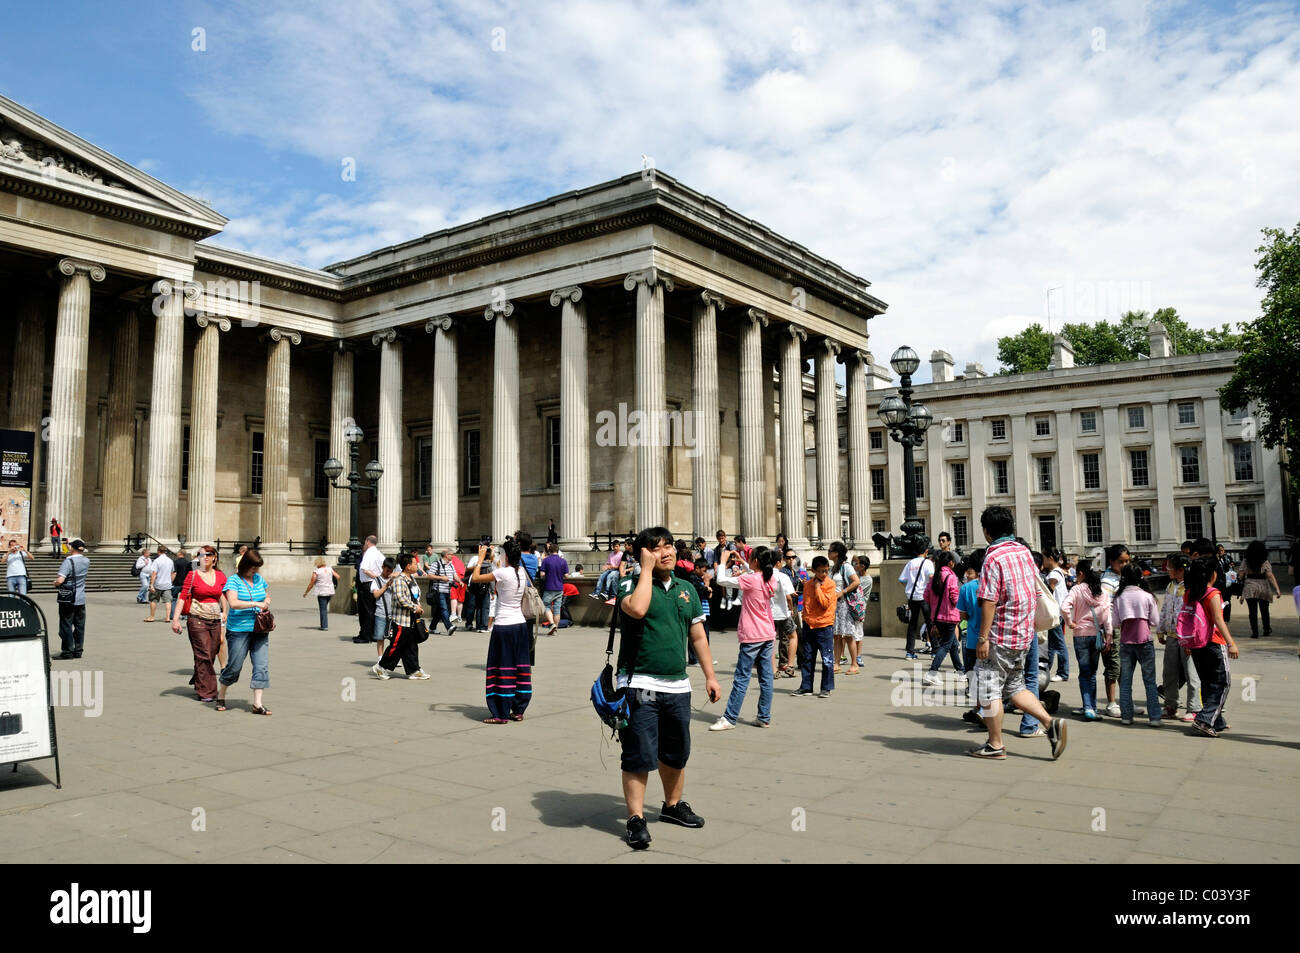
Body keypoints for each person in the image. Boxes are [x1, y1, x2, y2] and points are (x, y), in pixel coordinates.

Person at [613, 526, 720, 850]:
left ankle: (672, 806)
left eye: (670, 545)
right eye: (658, 548)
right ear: (644, 553)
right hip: (639, 683)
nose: (667, 552)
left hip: (677, 686)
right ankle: (636, 819)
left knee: (676, 752)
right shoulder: (629, 584)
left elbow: (698, 636)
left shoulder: (687, 589)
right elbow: (639, 609)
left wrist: (710, 676)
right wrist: (644, 569)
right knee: (639, 754)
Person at [969, 506, 1067, 760]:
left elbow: (989, 600)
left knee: (989, 689)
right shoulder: (1024, 552)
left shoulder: (993, 558)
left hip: (1000, 636)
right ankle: (1049, 722)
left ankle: (995, 743)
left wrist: (982, 638)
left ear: (987, 531)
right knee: (1015, 686)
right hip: (1024, 633)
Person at [710, 546, 779, 730]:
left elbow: (722, 580)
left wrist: (724, 561)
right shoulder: (770, 577)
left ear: (756, 561)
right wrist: (743, 562)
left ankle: (730, 718)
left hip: (752, 634)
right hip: (767, 633)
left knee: (742, 677)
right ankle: (764, 716)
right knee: (766, 677)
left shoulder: (750, 579)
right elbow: (756, 574)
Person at [472, 539, 535, 724]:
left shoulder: (502, 572)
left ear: (506, 555)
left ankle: (500, 712)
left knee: (501, 665)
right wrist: (494, 559)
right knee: (519, 666)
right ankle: (518, 709)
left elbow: (475, 578)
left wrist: (480, 558)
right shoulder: (521, 572)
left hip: (504, 626)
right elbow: (502, 572)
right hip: (520, 625)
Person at [1183, 556, 1240, 737]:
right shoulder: (1212, 594)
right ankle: (1205, 720)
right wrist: (1231, 643)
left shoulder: (1190, 592)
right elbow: (1218, 620)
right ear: (1213, 574)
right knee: (1223, 683)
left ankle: (1216, 720)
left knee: (1208, 682)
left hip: (1197, 643)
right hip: (1214, 642)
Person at [217, 549, 272, 714]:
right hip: (238, 630)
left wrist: (267, 601)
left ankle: (257, 704)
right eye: (254, 567)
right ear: (245, 565)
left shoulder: (259, 579)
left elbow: (266, 594)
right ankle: (221, 694)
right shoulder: (233, 581)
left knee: (261, 666)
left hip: (259, 628)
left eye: (258, 567)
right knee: (234, 666)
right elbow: (233, 603)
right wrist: (256, 603)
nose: (256, 570)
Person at [1060, 558, 1112, 721]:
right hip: (1096, 635)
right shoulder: (1102, 591)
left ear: (1081, 573)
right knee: (1092, 673)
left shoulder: (1076, 589)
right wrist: (1108, 635)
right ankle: (1092, 707)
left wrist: (1070, 622)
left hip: (1080, 634)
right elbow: (1107, 615)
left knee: (1084, 672)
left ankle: (1088, 707)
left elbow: (1063, 607)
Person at [174, 545, 227, 702]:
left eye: (208, 554)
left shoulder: (220, 576)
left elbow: (224, 595)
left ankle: (199, 677)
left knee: (212, 652)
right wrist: (175, 619)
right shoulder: (193, 575)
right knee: (203, 653)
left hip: (215, 619)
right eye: (200, 555)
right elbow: (182, 597)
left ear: (214, 558)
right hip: (197, 619)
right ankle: (208, 692)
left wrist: (225, 612)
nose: (204, 557)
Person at [1112, 564, 1161, 726]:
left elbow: (1115, 623)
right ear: (1140, 577)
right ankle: (1154, 717)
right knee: (1149, 681)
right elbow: (1155, 621)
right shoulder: (1147, 596)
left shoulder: (1119, 597)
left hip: (1126, 642)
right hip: (1145, 641)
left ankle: (1126, 716)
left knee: (1125, 681)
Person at [1156, 553, 1199, 722]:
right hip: (1172, 636)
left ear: (1180, 570)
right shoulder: (1171, 586)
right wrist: (1160, 629)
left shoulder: (1191, 587)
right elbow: (1165, 608)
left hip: (1187, 638)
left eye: (1170, 567)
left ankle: (1194, 707)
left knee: (1191, 673)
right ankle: (1171, 705)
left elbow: (1195, 614)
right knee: (1169, 672)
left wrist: (1191, 638)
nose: (1167, 570)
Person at [372, 552, 428, 680]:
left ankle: (414, 670)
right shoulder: (399, 581)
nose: (416, 566)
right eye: (414, 564)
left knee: (411, 646)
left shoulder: (411, 579)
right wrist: (415, 607)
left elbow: (415, 595)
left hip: (411, 619)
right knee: (396, 646)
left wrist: (417, 605)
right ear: (408, 566)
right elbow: (400, 599)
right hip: (401, 620)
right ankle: (381, 667)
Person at [793, 555, 838, 698]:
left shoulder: (830, 584)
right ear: (813, 570)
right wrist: (805, 618)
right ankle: (806, 686)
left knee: (827, 659)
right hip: (809, 625)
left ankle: (826, 687)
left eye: (826, 571)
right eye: (820, 571)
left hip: (824, 625)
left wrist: (818, 588)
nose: (823, 574)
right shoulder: (807, 585)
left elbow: (824, 603)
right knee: (808, 657)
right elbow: (806, 604)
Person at [1096, 543, 1129, 717]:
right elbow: (1105, 608)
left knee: (1124, 666)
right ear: (1111, 561)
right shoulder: (1107, 581)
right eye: (1121, 562)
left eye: (1127, 561)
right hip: (1112, 628)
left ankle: (1125, 701)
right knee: (1113, 665)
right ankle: (1111, 702)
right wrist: (1107, 632)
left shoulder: (1124, 577)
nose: (1124, 565)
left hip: (1125, 628)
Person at [922, 549, 963, 686]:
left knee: (952, 644)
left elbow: (926, 595)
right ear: (950, 563)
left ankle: (961, 671)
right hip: (950, 616)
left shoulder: (935, 577)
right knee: (946, 645)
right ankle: (932, 672)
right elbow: (954, 597)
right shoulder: (951, 577)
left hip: (937, 616)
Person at [957, 548, 986, 727]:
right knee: (988, 677)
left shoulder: (967, 588)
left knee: (973, 676)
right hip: (990, 639)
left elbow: (964, 616)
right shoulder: (993, 585)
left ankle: (980, 708)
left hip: (973, 638)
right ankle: (980, 709)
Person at [828, 541, 862, 675]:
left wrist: (843, 591)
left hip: (844, 604)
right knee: (836, 635)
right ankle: (836, 663)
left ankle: (854, 664)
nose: (828, 553)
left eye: (830, 551)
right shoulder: (833, 568)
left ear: (836, 553)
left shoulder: (845, 567)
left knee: (848, 635)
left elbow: (856, 581)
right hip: (834, 605)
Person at [52, 539, 90, 660]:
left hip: (68, 598)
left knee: (66, 624)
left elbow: (60, 580)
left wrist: (55, 583)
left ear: (72, 548)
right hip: (81, 597)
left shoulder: (68, 562)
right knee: (79, 625)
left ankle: (67, 651)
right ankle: (78, 650)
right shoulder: (86, 560)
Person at [1238, 540, 1281, 639]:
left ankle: (1255, 632)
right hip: (1263, 586)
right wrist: (1277, 589)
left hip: (1250, 586)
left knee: (1252, 611)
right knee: (1264, 610)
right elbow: (1270, 575)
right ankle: (1266, 629)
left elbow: (1241, 574)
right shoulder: (1264, 561)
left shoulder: (1246, 561)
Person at [899, 545, 933, 660]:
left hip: (912, 597)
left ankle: (910, 652)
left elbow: (902, 579)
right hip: (924, 597)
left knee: (912, 624)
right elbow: (932, 577)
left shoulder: (910, 563)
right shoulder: (928, 563)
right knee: (930, 623)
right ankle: (935, 650)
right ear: (926, 551)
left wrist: (909, 588)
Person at [1042, 549, 1069, 682]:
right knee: (1052, 644)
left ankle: (1063, 672)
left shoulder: (1053, 574)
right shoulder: (1059, 572)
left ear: (1050, 558)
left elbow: (1049, 591)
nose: (1043, 560)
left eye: (1044, 557)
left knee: (1059, 643)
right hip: (1058, 612)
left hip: (1055, 612)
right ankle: (1046, 669)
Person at [368, 557, 398, 669]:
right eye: (387, 570)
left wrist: (395, 578)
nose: (389, 573)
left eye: (391, 570)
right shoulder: (376, 581)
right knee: (380, 637)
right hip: (381, 613)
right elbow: (376, 594)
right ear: (383, 568)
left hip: (394, 613)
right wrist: (386, 585)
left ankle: (391, 657)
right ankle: (381, 658)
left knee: (393, 638)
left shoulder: (395, 579)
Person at [354, 535, 384, 644]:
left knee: (365, 611)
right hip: (375, 585)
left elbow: (365, 569)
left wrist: (375, 577)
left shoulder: (369, 553)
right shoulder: (379, 554)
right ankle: (372, 634)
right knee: (372, 610)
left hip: (367, 585)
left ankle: (365, 635)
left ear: (367, 542)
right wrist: (379, 579)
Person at [424, 547, 460, 636]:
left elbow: (454, 575)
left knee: (439, 611)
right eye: (451, 555)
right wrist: (441, 578)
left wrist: (460, 581)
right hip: (439, 591)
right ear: (446, 555)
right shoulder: (436, 564)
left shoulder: (451, 565)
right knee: (444, 609)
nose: (453, 556)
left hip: (447, 590)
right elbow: (429, 576)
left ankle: (432, 627)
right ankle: (449, 627)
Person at [538, 542, 569, 633]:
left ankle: (551, 624)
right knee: (556, 609)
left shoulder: (546, 560)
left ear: (549, 551)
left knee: (545, 605)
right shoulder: (563, 561)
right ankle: (555, 629)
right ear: (558, 550)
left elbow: (542, 574)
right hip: (559, 587)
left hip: (549, 587)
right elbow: (566, 575)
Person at [302, 556, 339, 630]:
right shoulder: (329, 569)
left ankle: (324, 626)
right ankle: (323, 623)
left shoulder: (317, 571)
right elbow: (338, 576)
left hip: (321, 591)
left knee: (323, 609)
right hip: (330, 591)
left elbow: (311, 583)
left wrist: (306, 592)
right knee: (324, 608)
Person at [144, 546, 175, 623]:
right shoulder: (170, 561)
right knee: (168, 601)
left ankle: (152, 616)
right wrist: (170, 581)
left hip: (158, 583)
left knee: (153, 600)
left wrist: (151, 584)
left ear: (158, 551)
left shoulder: (157, 561)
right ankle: (167, 617)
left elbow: (154, 573)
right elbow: (173, 573)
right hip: (167, 584)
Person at [167, 548, 191, 624]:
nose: (177, 553)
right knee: (184, 599)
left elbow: (174, 572)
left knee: (174, 599)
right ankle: (185, 615)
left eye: (178, 552)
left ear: (180, 553)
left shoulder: (175, 562)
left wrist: (171, 581)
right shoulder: (188, 562)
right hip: (185, 583)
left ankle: (173, 614)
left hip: (176, 583)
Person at [448, 547, 467, 624]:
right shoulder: (459, 561)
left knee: (454, 597)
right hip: (463, 580)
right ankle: (459, 616)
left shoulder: (450, 561)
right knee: (460, 600)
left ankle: (453, 614)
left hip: (456, 580)